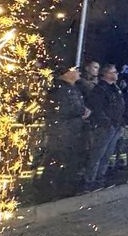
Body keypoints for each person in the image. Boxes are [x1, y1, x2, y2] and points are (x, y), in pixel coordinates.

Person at [38, 64, 91, 200]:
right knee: (56, 160)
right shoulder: (59, 90)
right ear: (66, 73)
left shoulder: (73, 89)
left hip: (73, 131)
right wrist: (81, 112)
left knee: (70, 161)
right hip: (62, 132)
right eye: (75, 70)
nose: (78, 72)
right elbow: (62, 110)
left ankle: (64, 189)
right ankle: (47, 191)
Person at [85, 63, 125, 191]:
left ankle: (100, 180)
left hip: (115, 125)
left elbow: (119, 105)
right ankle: (89, 182)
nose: (116, 74)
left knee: (107, 155)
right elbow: (97, 108)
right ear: (107, 74)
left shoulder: (115, 88)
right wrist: (107, 122)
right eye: (114, 72)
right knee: (97, 155)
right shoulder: (100, 89)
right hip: (105, 127)